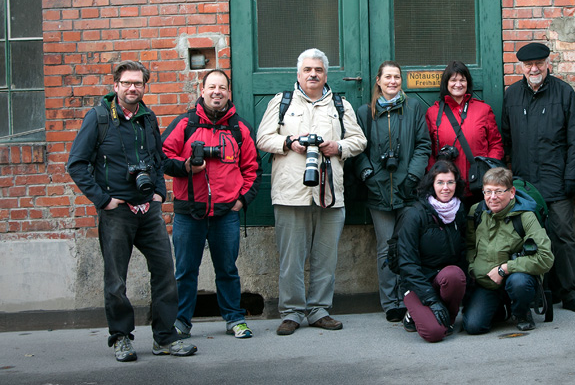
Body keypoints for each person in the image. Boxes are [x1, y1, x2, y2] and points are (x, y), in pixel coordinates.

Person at [67, 61, 197, 362]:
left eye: (138, 83)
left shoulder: (147, 118)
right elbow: (77, 164)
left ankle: (165, 338)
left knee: (165, 272)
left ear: (144, 87)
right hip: (117, 212)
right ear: (116, 86)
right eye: (126, 83)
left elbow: (157, 159)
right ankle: (121, 338)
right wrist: (103, 200)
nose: (132, 88)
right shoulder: (98, 118)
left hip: (148, 212)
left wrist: (157, 193)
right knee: (116, 280)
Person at [256, 48, 367, 335]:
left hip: (329, 192)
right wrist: (290, 142)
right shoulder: (281, 102)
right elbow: (263, 138)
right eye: (307, 70)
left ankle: (319, 309)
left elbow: (359, 140)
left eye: (318, 70)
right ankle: (292, 312)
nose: (313, 74)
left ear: (325, 74)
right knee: (291, 257)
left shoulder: (339, 105)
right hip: (290, 192)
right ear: (299, 74)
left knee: (325, 256)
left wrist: (338, 147)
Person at [161, 69, 261, 340]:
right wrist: (186, 167)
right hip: (188, 211)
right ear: (202, 91)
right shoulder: (185, 124)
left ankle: (234, 318)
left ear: (229, 92)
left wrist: (242, 200)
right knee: (185, 271)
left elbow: (253, 169)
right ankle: (181, 321)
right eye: (212, 87)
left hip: (226, 212)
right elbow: (163, 157)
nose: (217, 92)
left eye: (222, 87)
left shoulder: (239, 128)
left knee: (227, 269)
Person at [501, 42, 575, 313]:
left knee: (562, 236)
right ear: (521, 68)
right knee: (528, 239)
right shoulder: (512, 95)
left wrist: (571, 179)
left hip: (557, 181)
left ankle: (570, 292)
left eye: (539, 63)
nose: (534, 68)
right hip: (525, 184)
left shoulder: (563, 93)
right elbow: (506, 137)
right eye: (528, 65)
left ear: (547, 63)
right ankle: (540, 292)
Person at [352, 61, 432, 322]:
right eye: (388, 77)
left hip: (407, 188)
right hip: (378, 191)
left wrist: (413, 175)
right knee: (386, 247)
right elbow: (358, 150)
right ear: (378, 80)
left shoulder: (413, 108)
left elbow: (423, 145)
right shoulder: (366, 112)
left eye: (397, 77)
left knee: (409, 246)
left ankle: (409, 297)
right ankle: (390, 302)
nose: (393, 81)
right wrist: (368, 176)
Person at [463, 168, 554, 333]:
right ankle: (500, 308)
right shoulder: (476, 212)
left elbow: (545, 257)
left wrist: (505, 269)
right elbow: (469, 246)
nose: (492, 197)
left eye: (498, 191)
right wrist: (472, 267)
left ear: (512, 192)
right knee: (474, 326)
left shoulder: (525, 216)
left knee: (518, 283)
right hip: (486, 283)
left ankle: (521, 312)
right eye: (488, 192)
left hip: (516, 278)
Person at [394, 160, 468, 342]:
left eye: (450, 182)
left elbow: (463, 253)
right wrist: (431, 300)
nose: (446, 188)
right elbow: (407, 264)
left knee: (455, 274)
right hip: (416, 283)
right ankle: (413, 316)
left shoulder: (459, 211)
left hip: (443, 279)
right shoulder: (414, 214)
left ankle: (447, 319)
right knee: (433, 334)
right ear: (431, 185)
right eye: (440, 182)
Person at [425, 60, 504, 206]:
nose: (458, 84)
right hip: (447, 187)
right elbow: (427, 149)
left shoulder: (483, 109)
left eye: (462, 80)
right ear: (446, 83)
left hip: (480, 185)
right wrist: (435, 176)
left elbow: (496, 144)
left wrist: (489, 172)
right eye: (453, 80)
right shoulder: (433, 113)